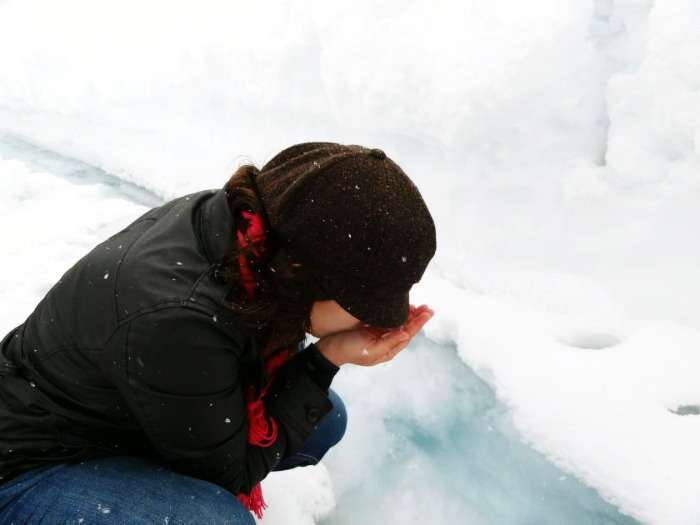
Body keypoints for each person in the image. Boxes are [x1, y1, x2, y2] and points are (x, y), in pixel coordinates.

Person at [0, 142, 437, 524]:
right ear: (302, 274)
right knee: (212, 520)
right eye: (362, 305)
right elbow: (232, 472)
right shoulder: (179, 323)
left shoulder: (248, 237)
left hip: (119, 410)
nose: (371, 321)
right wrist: (327, 358)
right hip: (31, 463)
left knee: (325, 418)